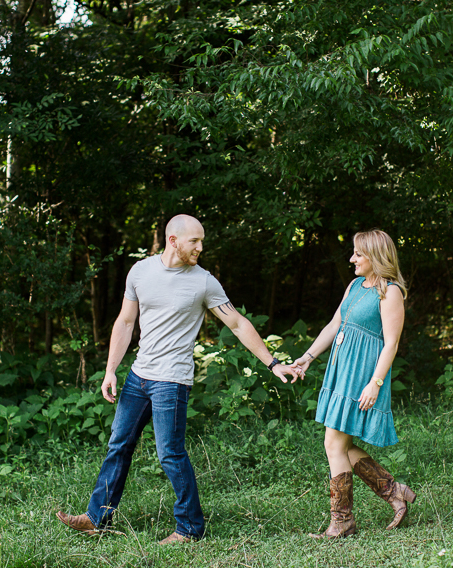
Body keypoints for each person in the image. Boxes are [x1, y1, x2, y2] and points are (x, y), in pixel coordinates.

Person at [56, 214, 297, 544]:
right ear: (173, 241)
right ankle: (98, 518)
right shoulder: (141, 272)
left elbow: (238, 324)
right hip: (139, 376)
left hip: (172, 381)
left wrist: (273, 363)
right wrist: (111, 369)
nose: (200, 247)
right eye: (194, 241)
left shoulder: (203, 282)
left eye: (202, 241)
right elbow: (125, 323)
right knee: (118, 445)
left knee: (170, 453)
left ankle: (189, 528)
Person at [289, 229, 416, 538]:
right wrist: (307, 357)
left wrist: (375, 383)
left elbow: (391, 344)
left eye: (358, 254)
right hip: (342, 370)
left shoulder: (391, 291)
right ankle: (394, 491)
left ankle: (344, 521)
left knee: (333, 443)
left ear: (375, 256)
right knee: (339, 444)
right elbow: (336, 324)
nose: (352, 259)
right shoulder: (355, 285)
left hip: (364, 374)